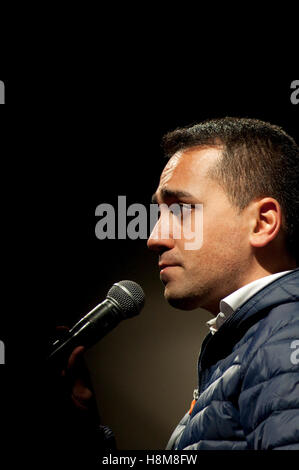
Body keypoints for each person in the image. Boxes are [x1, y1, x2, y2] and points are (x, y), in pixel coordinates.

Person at [146, 117, 299, 450]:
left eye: (181, 210)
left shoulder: (285, 341)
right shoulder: (253, 341)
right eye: (159, 213)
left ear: (262, 223)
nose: (154, 237)